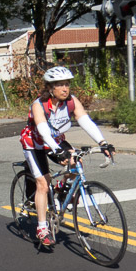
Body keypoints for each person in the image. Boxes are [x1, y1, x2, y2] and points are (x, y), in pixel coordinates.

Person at [19, 66, 115, 247]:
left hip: (56, 139)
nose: (65, 88)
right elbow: (43, 132)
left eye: (67, 84)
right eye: (60, 85)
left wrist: (103, 142)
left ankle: (62, 191)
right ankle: (42, 228)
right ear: (50, 88)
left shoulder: (71, 102)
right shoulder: (38, 105)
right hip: (35, 143)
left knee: (76, 161)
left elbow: (86, 121)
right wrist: (57, 150)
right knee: (43, 183)